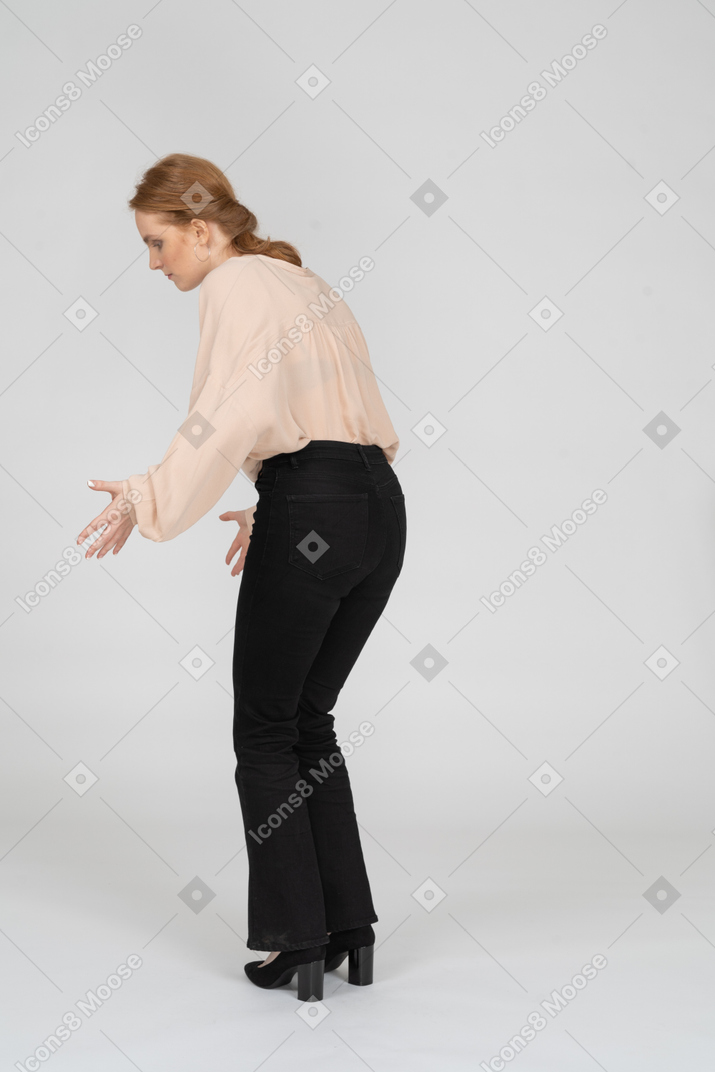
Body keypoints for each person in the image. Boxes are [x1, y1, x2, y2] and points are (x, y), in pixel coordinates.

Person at [76, 153, 407, 1002]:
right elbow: (339, 420)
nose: (154, 265)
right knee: (308, 721)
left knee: (264, 732)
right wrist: (279, 505)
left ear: (200, 227)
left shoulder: (233, 285)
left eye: (157, 244)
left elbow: (227, 414)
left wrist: (149, 496)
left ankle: (297, 941)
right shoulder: (304, 284)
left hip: (316, 508)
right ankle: (349, 932)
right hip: (376, 507)